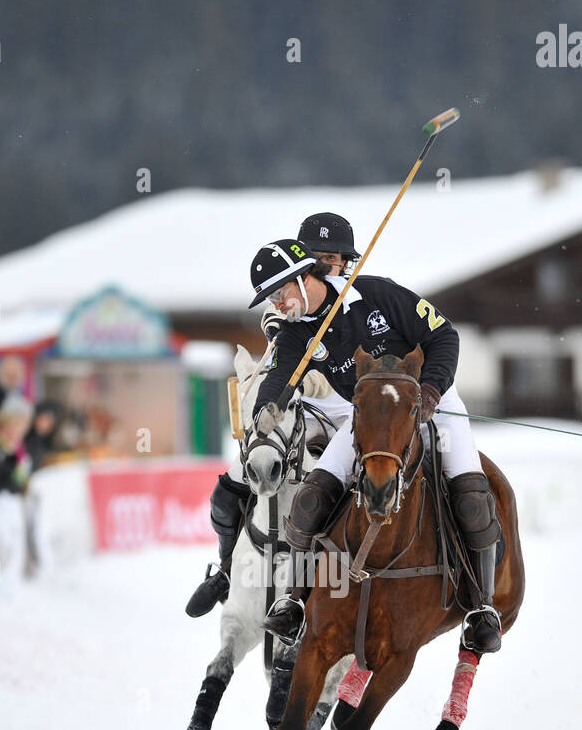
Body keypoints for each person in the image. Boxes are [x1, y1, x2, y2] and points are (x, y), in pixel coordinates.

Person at [247, 240, 503, 655]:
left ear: (303, 277)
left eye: (280, 293)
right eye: (271, 299)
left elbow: (443, 335)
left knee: (471, 497)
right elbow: (280, 377)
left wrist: (432, 391)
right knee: (311, 497)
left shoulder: (376, 294)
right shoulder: (297, 333)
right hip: (369, 418)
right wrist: (266, 409)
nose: (277, 305)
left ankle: (481, 608)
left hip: (431, 402)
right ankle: (294, 601)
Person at [185, 212, 361, 618]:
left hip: (347, 414)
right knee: (229, 490)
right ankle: (227, 570)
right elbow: (279, 356)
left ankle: (350, 586)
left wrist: (330, 382)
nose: (328, 266)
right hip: (292, 412)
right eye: (319, 257)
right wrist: (301, 382)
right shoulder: (285, 304)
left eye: (336, 259)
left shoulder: (356, 301)